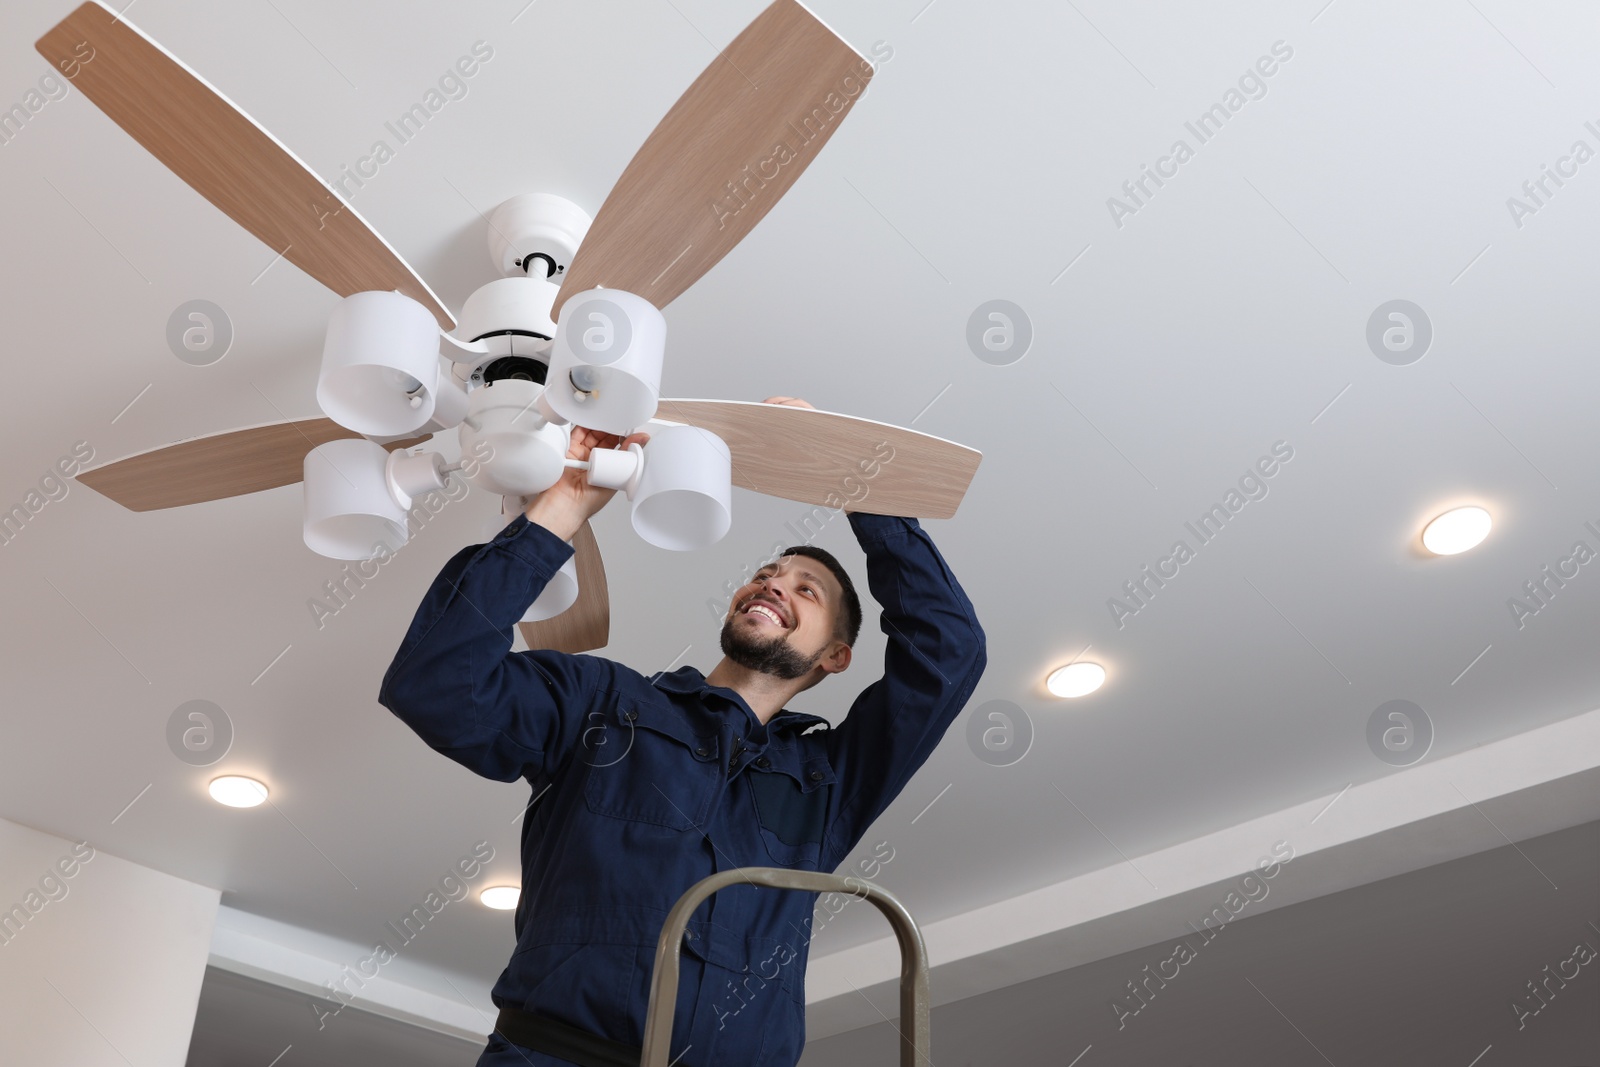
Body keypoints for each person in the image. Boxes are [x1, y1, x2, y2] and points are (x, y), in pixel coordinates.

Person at [378, 397, 987, 1067]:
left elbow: (948, 651)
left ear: (835, 655)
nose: (774, 583)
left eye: (805, 588)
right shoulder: (602, 703)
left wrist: (847, 468)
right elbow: (436, 684)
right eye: (766, 573)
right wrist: (565, 504)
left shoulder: (828, 783)